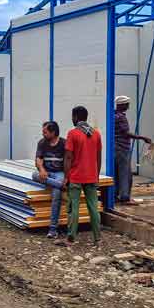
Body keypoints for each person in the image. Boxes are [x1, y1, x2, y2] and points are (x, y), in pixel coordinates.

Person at [58, 105, 102, 247]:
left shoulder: (73, 133)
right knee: (93, 208)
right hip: (91, 176)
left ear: (75, 117)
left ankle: (71, 238)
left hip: (76, 177)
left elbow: (68, 157)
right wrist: (96, 175)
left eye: (72, 116)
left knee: (73, 208)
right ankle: (97, 238)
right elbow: (98, 157)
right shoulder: (96, 134)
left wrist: (66, 177)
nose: (72, 119)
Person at [31, 121, 66, 239]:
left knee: (57, 193)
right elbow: (38, 159)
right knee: (34, 175)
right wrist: (41, 169)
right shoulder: (42, 143)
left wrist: (67, 176)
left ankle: (53, 229)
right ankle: (61, 185)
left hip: (59, 173)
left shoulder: (64, 144)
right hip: (46, 173)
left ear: (53, 132)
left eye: (45, 132)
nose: (43, 134)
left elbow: (68, 162)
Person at [114, 96, 152, 205]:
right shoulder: (121, 117)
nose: (128, 106)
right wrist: (143, 138)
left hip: (115, 148)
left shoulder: (113, 115)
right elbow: (126, 133)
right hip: (122, 148)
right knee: (125, 174)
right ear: (121, 105)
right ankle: (125, 197)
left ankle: (115, 195)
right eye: (127, 104)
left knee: (116, 173)